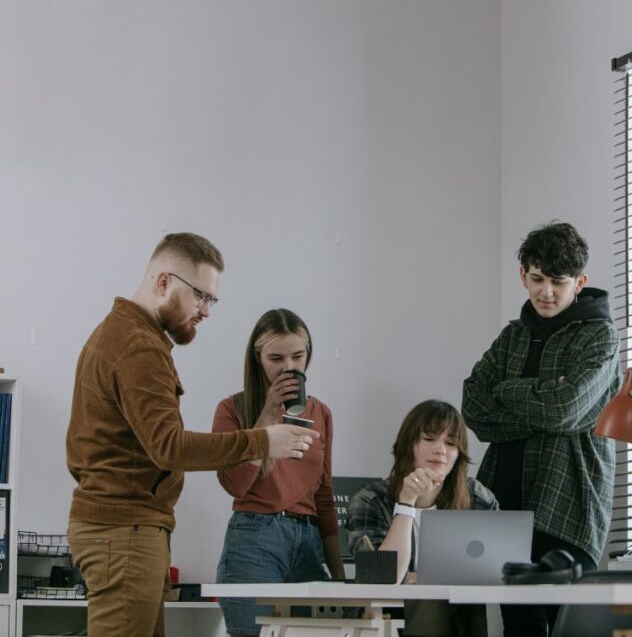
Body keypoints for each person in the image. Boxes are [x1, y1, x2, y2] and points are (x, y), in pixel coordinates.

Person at [66, 232, 318, 637]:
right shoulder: (138, 346)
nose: (205, 311)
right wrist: (264, 440)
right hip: (125, 532)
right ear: (164, 281)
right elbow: (170, 447)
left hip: (128, 530)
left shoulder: (123, 335)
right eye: (200, 296)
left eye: (212, 300)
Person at [462, 221, 620, 636]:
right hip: (503, 506)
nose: (545, 292)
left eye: (558, 281)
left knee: (570, 628)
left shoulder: (600, 338)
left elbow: (564, 409)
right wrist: (545, 401)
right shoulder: (512, 336)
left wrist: (506, 389)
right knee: (518, 630)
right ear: (523, 276)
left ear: (579, 282)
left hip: (567, 506)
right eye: (537, 279)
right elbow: (473, 407)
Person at [213, 308, 344, 636]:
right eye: (276, 358)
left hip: (309, 541)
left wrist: (340, 577)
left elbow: (324, 495)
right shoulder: (232, 409)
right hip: (255, 537)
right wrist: (269, 414)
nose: (289, 368)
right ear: (258, 359)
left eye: (298, 356)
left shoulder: (321, 413)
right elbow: (234, 485)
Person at [346, 400, 497, 637]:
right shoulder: (370, 500)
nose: (441, 450)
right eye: (429, 439)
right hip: (387, 619)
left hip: (460, 621)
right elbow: (382, 580)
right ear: (409, 444)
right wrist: (406, 504)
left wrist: (430, 577)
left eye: (451, 443)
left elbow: (495, 569)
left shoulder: (477, 498)